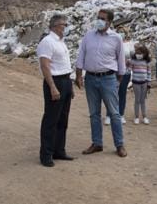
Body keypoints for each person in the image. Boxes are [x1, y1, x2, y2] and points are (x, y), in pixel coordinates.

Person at [75, 9, 127, 157]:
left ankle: (119, 145)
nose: (99, 20)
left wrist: (119, 79)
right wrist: (79, 74)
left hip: (108, 79)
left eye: (102, 18)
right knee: (94, 114)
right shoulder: (88, 36)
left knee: (114, 113)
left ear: (109, 22)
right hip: (90, 79)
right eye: (98, 18)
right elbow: (81, 55)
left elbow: (121, 60)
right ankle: (97, 143)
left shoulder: (116, 38)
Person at [37, 14, 75, 167]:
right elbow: (45, 66)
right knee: (51, 120)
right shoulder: (47, 42)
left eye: (65, 24)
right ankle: (46, 154)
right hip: (55, 81)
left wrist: (70, 86)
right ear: (55, 26)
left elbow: (64, 65)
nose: (65, 27)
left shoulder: (61, 42)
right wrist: (52, 86)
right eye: (63, 24)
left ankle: (59, 150)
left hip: (65, 80)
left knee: (63, 119)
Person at [105, 26, 133, 126]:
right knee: (111, 94)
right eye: (119, 32)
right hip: (113, 72)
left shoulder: (130, 44)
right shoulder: (113, 43)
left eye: (123, 32)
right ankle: (109, 115)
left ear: (126, 33)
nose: (121, 33)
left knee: (122, 94)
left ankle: (121, 115)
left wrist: (130, 62)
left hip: (125, 72)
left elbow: (133, 56)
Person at [130, 43, 151, 125]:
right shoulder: (133, 61)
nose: (139, 55)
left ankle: (145, 116)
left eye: (140, 53)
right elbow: (129, 68)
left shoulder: (146, 62)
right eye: (137, 53)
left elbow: (149, 73)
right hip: (136, 83)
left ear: (145, 53)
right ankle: (136, 117)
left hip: (144, 83)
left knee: (143, 100)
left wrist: (149, 83)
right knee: (137, 100)